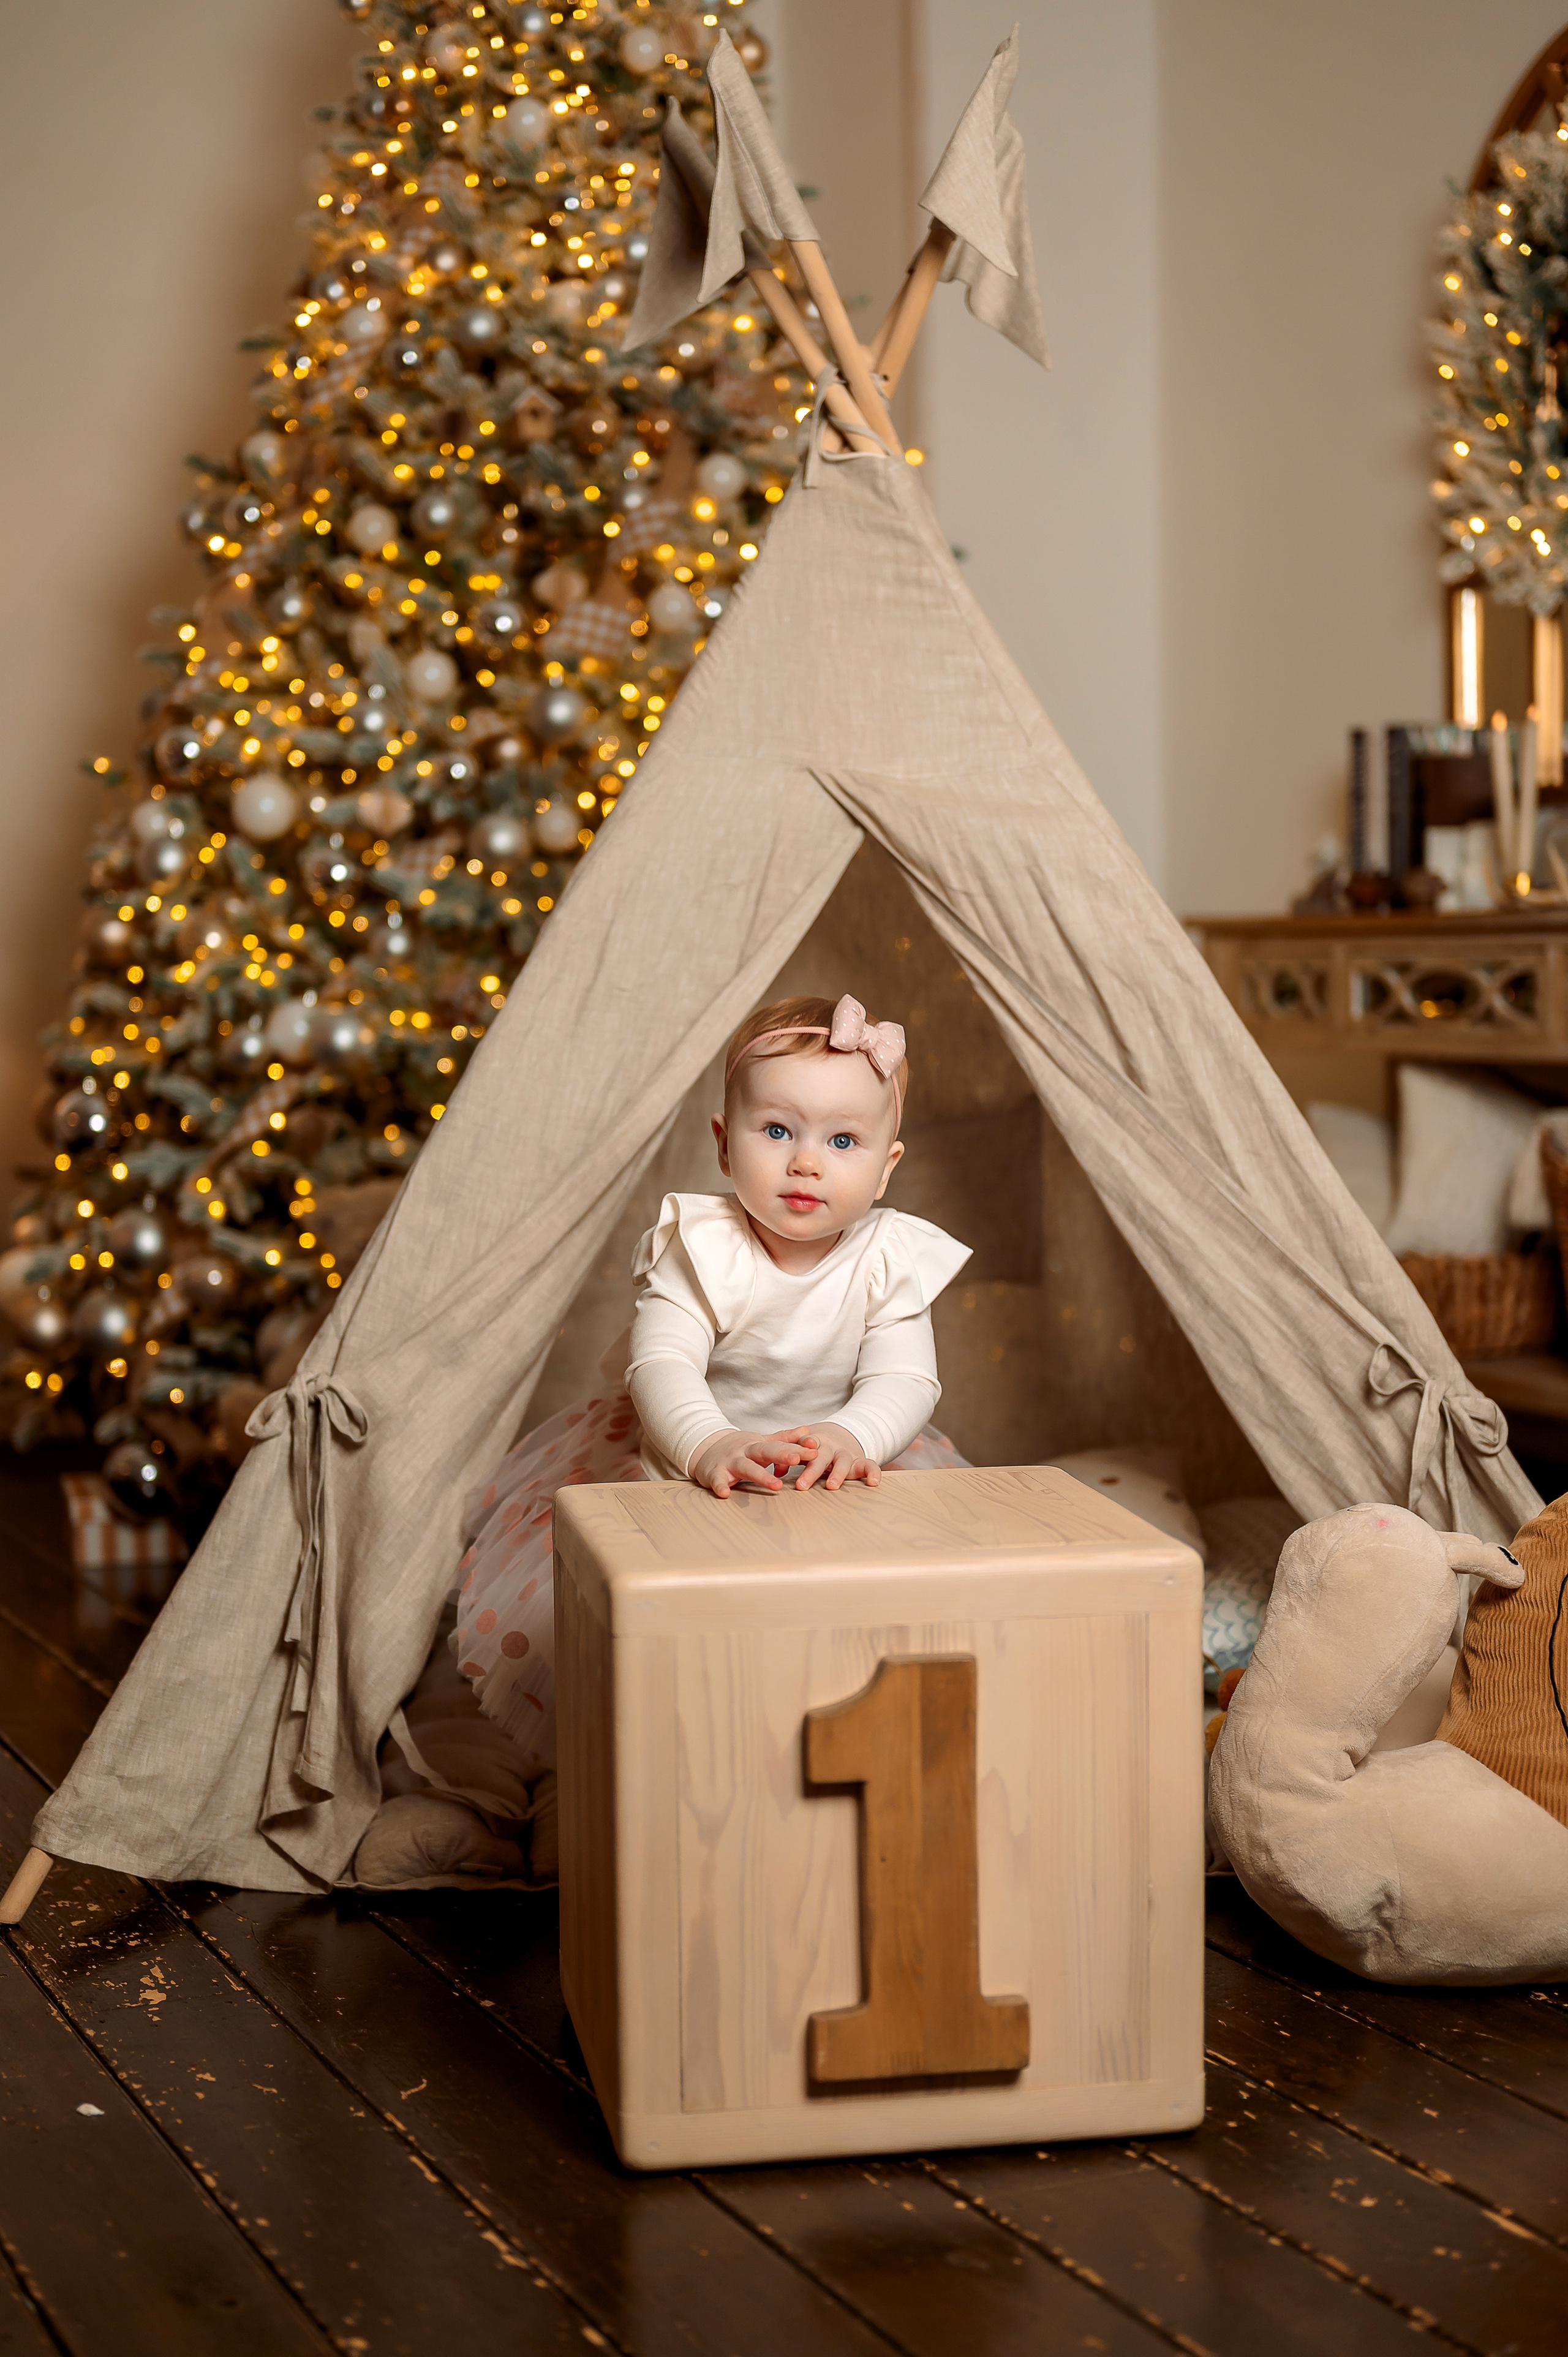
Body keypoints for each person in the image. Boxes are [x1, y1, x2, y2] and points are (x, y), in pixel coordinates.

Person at [450, 992, 973, 1760]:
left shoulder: (889, 1256)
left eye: (843, 1140)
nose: (805, 1160)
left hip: (837, 1467)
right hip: (688, 1467)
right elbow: (660, 1361)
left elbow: (907, 1382)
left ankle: (816, 1748)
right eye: (776, 1130)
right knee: (627, 1632)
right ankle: (605, 1769)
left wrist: (851, 1432)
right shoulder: (703, 1243)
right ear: (725, 1145)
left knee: (872, 1612)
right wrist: (709, 1443)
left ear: (887, 1164)